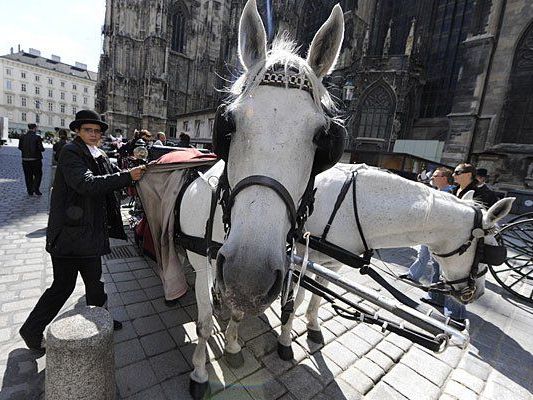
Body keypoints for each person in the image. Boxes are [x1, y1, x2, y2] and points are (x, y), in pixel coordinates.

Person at [19, 110, 146, 352]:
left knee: (95, 282)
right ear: (78, 131)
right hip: (70, 234)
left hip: (88, 232)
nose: (94, 134)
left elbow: (112, 174)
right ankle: (31, 331)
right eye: (89, 130)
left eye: (97, 131)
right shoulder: (71, 152)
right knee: (62, 287)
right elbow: (86, 183)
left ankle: (101, 320)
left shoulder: (96, 154)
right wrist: (126, 176)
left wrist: (133, 171)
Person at [401, 168, 455, 309]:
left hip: (436, 233)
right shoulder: (439, 191)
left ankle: (435, 296)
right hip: (430, 231)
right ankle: (413, 275)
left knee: (436, 264)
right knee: (423, 254)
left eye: (436, 175)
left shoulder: (448, 193)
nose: (432, 177)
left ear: (444, 178)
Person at [18, 123, 45, 195]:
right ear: (35, 128)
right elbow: (41, 149)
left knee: (28, 175)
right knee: (38, 174)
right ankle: (36, 189)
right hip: (35, 159)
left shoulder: (22, 137)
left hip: (25, 160)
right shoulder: (37, 137)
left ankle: (30, 191)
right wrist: (42, 149)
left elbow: (20, 147)